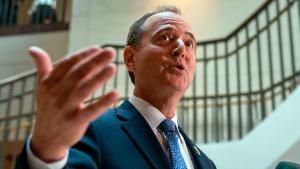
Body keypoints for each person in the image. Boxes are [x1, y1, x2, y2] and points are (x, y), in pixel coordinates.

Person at [15, 6, 216, 169]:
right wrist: (46, 154)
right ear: (130, 58)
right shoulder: (92, 128)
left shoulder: (206, 163)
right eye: (165, 37)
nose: (181, 48)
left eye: (189, 43)